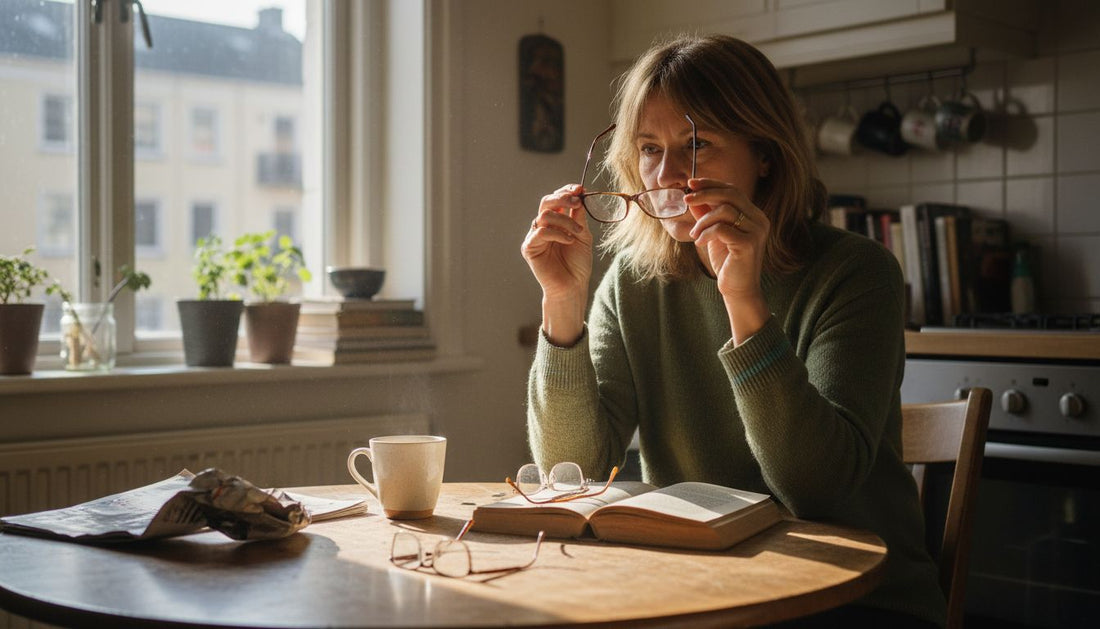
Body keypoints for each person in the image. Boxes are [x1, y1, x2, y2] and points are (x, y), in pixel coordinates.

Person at [520, 34, 945, 628]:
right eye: (648, 148)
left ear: (764, 153)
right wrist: (563, 302)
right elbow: (572, 470)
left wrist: (742, 299)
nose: (665, 174)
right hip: (701, 590)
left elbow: (815, 489)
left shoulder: (856, 273)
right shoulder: (633, 283)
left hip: (855, 600)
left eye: (697, 144)